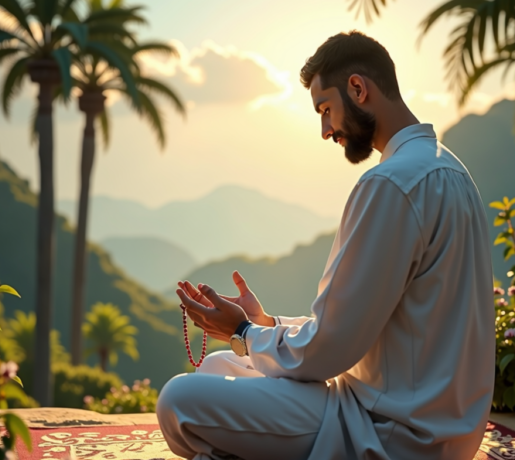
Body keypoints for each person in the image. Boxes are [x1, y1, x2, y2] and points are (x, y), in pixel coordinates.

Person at [156, 30, 495, 460]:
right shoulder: (449, 169)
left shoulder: (390, 184)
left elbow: (328, 350)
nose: (324, 129)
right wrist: (263, 322)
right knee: (219, 367)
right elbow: (357, 325)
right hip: (441, 423)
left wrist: (241, 332)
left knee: (179, 400)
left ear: (358, 88)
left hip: (392, 430)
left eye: (325, 109)